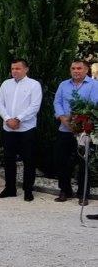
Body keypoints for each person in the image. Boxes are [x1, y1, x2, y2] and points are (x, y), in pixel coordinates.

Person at [0, 58, 42, 202]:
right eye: (12, 68)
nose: (14, 71)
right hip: (8, 129)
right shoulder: (6, 84)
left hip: (27, 129)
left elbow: (34, 106)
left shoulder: (34, 85)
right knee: (9, 160)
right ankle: (10, 188)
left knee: (29, 160)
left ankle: (28, 190)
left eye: (18, 68)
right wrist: (7, 119)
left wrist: (19, 119)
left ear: (26, 69)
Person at [53, 59, 98, 202]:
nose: (76, 71)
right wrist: (63, 119)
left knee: (83, 162)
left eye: (79, 68)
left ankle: (83, 194)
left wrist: (77, 122)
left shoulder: (94, 85)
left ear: (86, 70)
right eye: (73, 68)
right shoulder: (63, 84)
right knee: (62, 161)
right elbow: (57, 102)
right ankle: (65, 190)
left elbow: (93, 104)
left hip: (84, 130)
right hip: (64, 128)